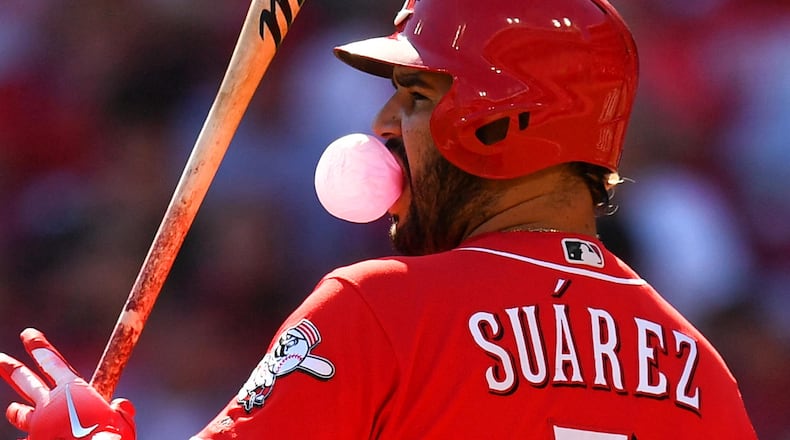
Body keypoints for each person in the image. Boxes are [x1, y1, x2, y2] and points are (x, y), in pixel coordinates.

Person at [0, 0, 759, 438]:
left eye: (417, 95)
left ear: (505, 124)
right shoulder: (705, 376)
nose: (384, 121)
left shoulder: (381, 307)